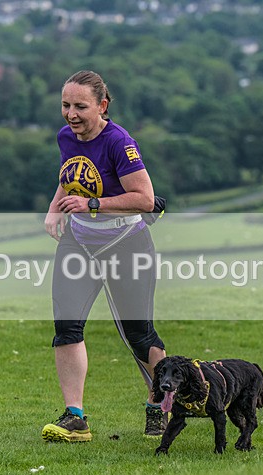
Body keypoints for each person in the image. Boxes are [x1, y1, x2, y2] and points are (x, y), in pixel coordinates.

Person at [41, 70, 167, 443]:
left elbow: (145, 199)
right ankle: (75, 418)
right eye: (65, 105)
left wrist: (92, 203)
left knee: (139, 334)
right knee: (66, 327)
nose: (71, 114)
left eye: (80, 106)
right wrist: (55, 208)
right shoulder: (67, 136)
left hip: (125, 245)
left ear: (102, 106)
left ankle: (158, 402)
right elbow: (70, 175)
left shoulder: (120, 143)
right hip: (78, 243)